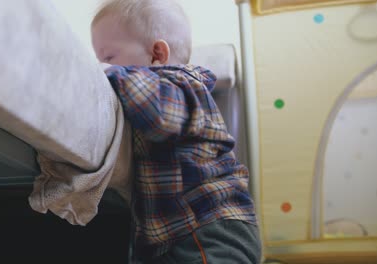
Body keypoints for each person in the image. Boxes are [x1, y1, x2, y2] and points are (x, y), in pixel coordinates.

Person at [91, 0, 261, 263]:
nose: (102, 66)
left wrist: (107, 74)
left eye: (109, 57)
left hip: (211, 225)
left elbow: (161, 117)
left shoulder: (182, 84)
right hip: (174, 232)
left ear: (157, 54)